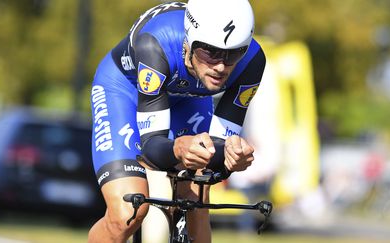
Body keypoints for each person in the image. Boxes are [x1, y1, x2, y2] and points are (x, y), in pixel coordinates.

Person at [88, 0, 266, 242]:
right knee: (127, 212)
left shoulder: (252, 62)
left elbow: (218, 150)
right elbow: (151, 149)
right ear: (189, 42)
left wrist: (231, 157)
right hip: (125, 92)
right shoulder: (155, 43)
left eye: (234, 53)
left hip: (189, 99)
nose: (221, 66)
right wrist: (180, 148)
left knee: (196, 202)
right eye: (210, 52)